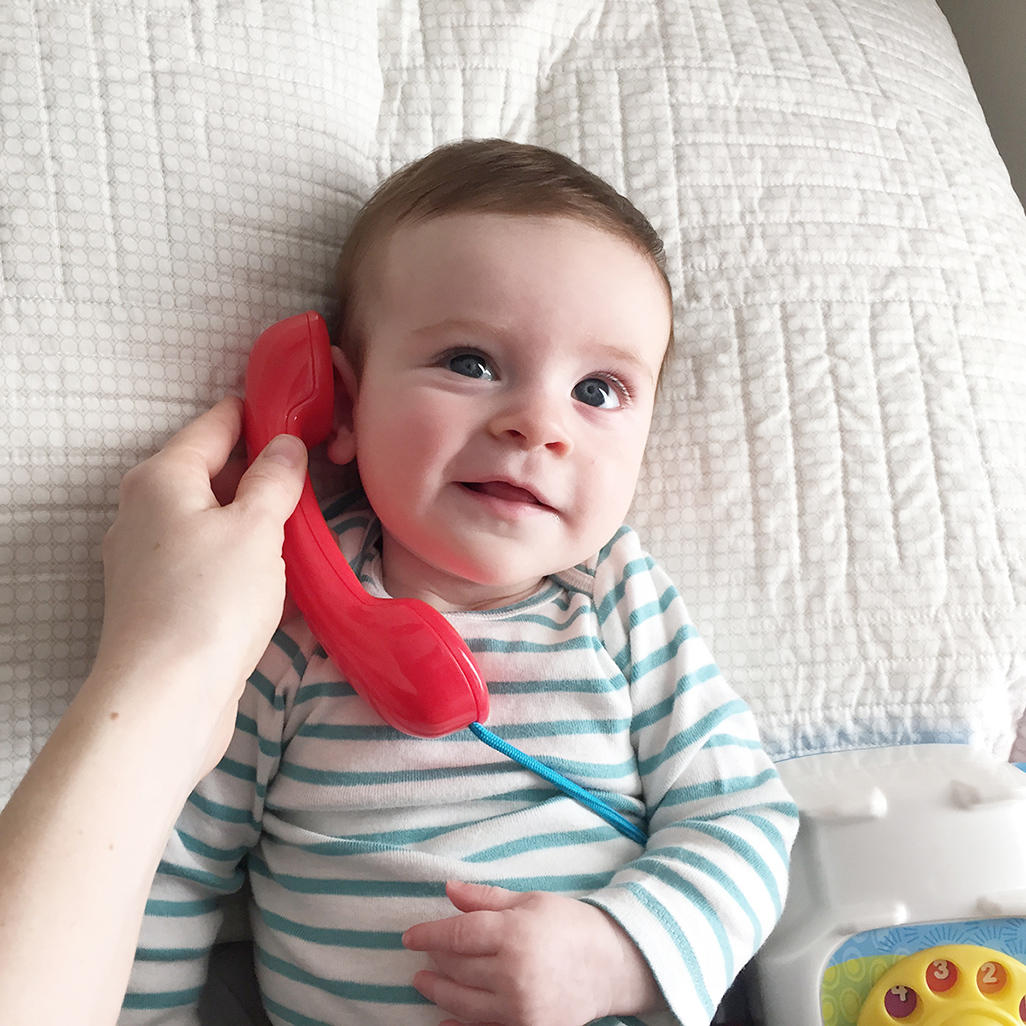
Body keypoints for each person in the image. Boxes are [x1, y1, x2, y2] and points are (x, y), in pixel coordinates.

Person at [120, 140, 799, 1026]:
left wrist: (619, 950)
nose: (536, 423)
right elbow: (165, 861)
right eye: (471, 363)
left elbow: (743, 817)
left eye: (598, 389)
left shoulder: (618, 599)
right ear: (343, 408)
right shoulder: (285, 623)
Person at [0, 397, 309, 1026]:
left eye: (578, 390)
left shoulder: (576, 634)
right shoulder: (289, 651)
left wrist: (576, 950)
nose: (536, 425)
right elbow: (180, 865)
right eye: (469, 364)